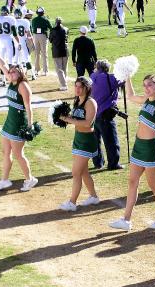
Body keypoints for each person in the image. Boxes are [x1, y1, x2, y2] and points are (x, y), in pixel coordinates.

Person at [109, 74, 155, 231]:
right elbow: (131, 96)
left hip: (151, 149)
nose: (146, 88)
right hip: (139, 147)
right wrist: (127, 77)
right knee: (132, 181)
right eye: (145, 85)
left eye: (150, 85)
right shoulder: (146, 100)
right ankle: (126, 220)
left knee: (154, 186)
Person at [0, 48, 38, 192]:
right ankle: (5, 180)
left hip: (19, 124)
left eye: (14, 72)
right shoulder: (11, 80)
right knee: (6, 152)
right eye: (10, 71)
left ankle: (30, 179)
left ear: (20, 73)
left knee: (18, 154)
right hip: (9, 122)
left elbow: (29, 107)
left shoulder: (23, 86)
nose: (11, 73)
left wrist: (30, 126)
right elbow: (2, 63)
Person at [58, 76, 100, 212]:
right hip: (78, 139)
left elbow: (88, 124)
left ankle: (72, 202)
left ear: (87, 88)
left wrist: (68, 119)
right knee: (83, 172)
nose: (77, 89)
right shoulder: (77, 100)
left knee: (76, 172)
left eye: (80, 87)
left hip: (87, 141)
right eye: (75, 86)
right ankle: (93, 197)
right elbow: (75, 120)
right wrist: (61, 118)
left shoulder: (90, 103)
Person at [90, 59, 124, 170]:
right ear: (107, 68)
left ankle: (98, 163)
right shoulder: (110, 78)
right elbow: (123, 79)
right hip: (105, 114)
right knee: (111, 141)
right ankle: (113, 163)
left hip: (93, 114)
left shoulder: (92, 77)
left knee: (95, 141)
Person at [0, 5, 20, 85]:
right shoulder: (11, 18)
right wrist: (19, 42)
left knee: (1, 60)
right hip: (8, 40)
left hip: (0, 41)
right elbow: (14, 33)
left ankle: (3, 80)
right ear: (7, 12)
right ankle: (11, 79)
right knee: (10, 61)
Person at [13, 8, 36, 80]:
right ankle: (33, 75)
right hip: (23, 41)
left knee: (15, 60)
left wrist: (18, 42)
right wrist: (32, 43)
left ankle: (15, 76)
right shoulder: (25, 21)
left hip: (16, 42)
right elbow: (29, 34)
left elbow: (14, 34)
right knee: (27, 59)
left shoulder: (12, 21)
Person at [49, 17, 69, 91]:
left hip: (56, 52)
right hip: (65, 51)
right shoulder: (66, 29)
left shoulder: (53, 30)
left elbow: (50, 40)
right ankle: (64, 82)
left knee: (59, 69)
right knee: (64, 68)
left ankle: (63, 85)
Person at [31, 7, 52, 76]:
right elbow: (51, 28)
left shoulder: (34, 20)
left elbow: (32, 28)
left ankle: (36, 70)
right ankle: (45, 70)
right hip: (43, 36)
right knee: (44, 54)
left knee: (37, 54)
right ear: (43, 13)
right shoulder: (45, 19)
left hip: (35, 36)